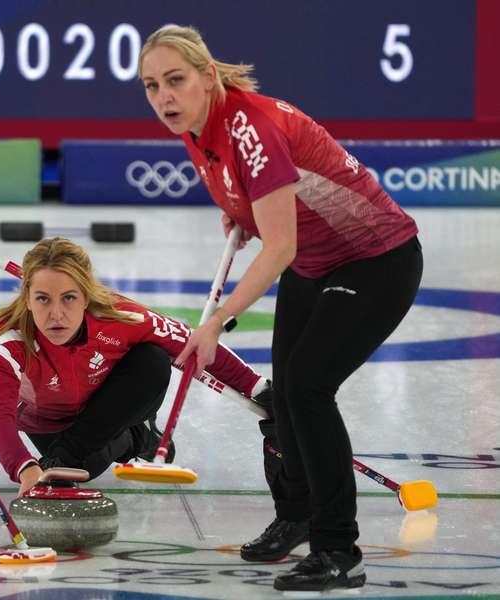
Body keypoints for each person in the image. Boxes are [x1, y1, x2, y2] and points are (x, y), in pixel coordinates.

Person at [139, 26, 423, 591]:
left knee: (308, 386)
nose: (163, 97)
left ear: (207, 77)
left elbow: (281, 246)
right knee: (283, 398)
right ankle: (296, 515)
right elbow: (274, 215)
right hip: (315, 264)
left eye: (175, 80)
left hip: (375, 259)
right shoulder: (198, 128)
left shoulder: (250, 128)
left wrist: (218, 320)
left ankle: (340, 551)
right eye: (151, 86)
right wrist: (245, 212)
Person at [0, 237, 272, 497]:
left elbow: (200, 347)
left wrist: (261, 390)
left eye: (68, 298)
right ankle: (137, 439)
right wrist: (24, 467)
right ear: (27, 300)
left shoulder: (121, 317)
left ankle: (96, 440)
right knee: (84, 468)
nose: (56, 314)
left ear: (85, 297)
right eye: (42, 299)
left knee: (153, 360)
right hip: (50, 420)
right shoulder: (9, 342)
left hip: (112, 400)